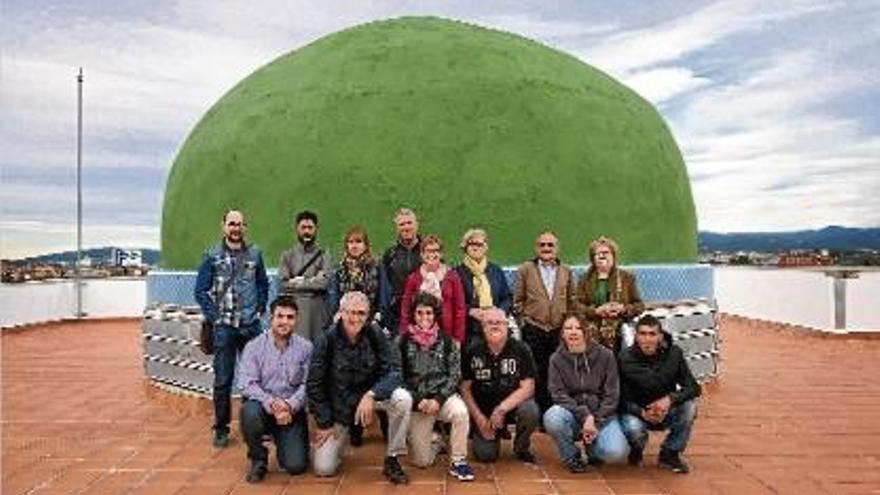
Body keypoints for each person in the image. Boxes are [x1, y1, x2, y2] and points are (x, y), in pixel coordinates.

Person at [307, 291, 412, 484]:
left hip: (371, 398)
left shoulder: (375, 333)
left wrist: (371, 395)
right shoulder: (326, 339)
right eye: (351, 312)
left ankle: (393, 457)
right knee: (324, 469)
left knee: (403, 399)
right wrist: (325, 422)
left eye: (361, 313)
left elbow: (395, 371)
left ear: (368, 315)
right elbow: (314, 385)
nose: (355, 318)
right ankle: (346, 432)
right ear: (341, 312)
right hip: (340, 408)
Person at [194, 209, 269, 448]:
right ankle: (221, 428)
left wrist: (259, 308)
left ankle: (256, 425)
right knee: (223, 379)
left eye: (240, 224)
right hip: (224, 327)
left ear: (245, 227)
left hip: (250, 326)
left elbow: (263, 284)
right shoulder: (212, 255)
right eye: (231, 223)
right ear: (223, 226)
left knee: (255, 378)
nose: (236, 228)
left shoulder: (255, 254)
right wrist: (214, 316)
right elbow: (201, 290)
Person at [398, 292, 475, 481]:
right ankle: (436, 441)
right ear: (413, 315)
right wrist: (418, 399)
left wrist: (439, 399)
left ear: (436, 315)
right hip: (419, 403)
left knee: (461, 412)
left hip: (442, 399)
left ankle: (458, 460)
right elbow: (398, 375)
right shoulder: (402, 341)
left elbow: (455, 374)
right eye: (420, 313)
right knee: (422, 462)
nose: (425, 318)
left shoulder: (448, 342)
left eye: (429, 313)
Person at [237, 296, 312, 483]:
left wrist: (289, 405)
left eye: (290, 317)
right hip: (263, 407)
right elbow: (246, 383)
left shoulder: (306, 348)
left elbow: (308, 383)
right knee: (249, 411)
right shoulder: (254, 347)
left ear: (296, 320)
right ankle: (258, 458)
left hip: (291, 412)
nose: (284, 322)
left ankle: (284, 442)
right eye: (280, 316)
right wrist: (271, 403)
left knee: (296, 466)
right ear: (271, 318)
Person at [543, 314, 629, 473]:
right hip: (573, 414)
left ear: (586, 332)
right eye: (568, 328)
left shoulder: (606, 356)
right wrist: (585, 416)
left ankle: (593, 447)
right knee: (552, 417)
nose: (573, 332)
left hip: (602, 415)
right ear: (562, 333)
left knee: (616, 453)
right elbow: (558, 395)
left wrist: (595, 421)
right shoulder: (556, 359)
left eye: (578, 328)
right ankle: (571, 456)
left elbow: (612, 395)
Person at [618, 314, 701, 473]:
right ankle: (636, 449)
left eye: (652, 334)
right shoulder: (624, 358)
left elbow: (693, 387)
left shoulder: (674, 354)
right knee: (634, 429)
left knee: (690, 407)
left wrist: (670, 399)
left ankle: (670, 453)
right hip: (636, 412)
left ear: (660, 336)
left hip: (666, 410)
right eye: (642, 334)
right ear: (636, 336)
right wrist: (641, 412)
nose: (647, 339)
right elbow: (619, 398)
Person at [460, 308, 540, 464]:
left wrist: (501, 409)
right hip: (484, 410)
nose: (494, 326)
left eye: (499, 323)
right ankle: (488, 434)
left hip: (511, 407)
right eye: (489, 323)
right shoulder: (472, 351)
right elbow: (465, 388)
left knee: (530, 410)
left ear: (507, 325)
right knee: (486, 456)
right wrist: (479, 419)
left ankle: (521, 447)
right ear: (483, 327)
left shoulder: (521, 349)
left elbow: (528, 387)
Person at [512, 231, 577, 414]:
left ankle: (557, 412)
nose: (546, 248)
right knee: (536, 373)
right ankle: (541, 414)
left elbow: (572, 300)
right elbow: (517, 300)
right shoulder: (525, 269)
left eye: (550, 245)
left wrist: (568, 326)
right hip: (534, 329)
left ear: (557, 248)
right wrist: (524, 322)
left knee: (558, 371)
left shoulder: (566, 271)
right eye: (542, 245)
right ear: (536, 248)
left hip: (559, 330)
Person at [576, 236, 644, 352]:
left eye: (606, 252)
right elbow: (576, 306)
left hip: (620, 332)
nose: (602, 256)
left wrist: (623, 308)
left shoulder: (626, 277)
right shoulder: (584, 279)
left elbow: (639, 305)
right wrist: (596, 311)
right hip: (593, 332)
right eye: (597, 254)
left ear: (613, 255)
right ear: (593, 258)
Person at [398, 235, 466, 344]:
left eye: (435, 250)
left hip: (447, 334)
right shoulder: (413, 278)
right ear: (421, 254)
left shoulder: (452, 276)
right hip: (420, 334)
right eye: (427, 251)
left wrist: (458, 338)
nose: (431, 254)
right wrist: (404, 334)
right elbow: (406, 308)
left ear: (441, 253)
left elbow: (460, 309)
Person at [278, 210, 332, 341]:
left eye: (310, 228)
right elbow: (283, 285)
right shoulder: (287, 255)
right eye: (303, 227)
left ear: (316, 229)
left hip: (318, 314)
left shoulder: (324, 255)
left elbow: (323, 284)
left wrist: (299, 282)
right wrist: (313, 280)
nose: (307, 231)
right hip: (294, 314)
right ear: (297, 229)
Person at [455, 228, 511, 349]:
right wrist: (471, 311)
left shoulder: (496, 271)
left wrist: (500, 311)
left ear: (486, 247)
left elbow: (507, 297)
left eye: (479, 244)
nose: (475, 247)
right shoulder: (456, 274)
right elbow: (453, 303)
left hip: (496, 328)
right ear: (465, 247)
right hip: (470, 331)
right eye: (471, 244)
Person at [380, 208, 422, 333]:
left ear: (417, 224)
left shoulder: (428, 251)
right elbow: (384, 286)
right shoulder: (390, 254)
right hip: (397, 316)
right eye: (402, 224)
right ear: (397, 228)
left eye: (409, 223)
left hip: (424, 314)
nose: (406, 227)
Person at [326, 226, 381, 318]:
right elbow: (334, 298)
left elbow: (383, 296)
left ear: (366, 245)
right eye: (351, 242)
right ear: (346, 246)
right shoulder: (339, 270)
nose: (354, 246)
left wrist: (379, 315)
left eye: (358, 242)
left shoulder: (377, 267)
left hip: (371, 318)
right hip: (345, 318)